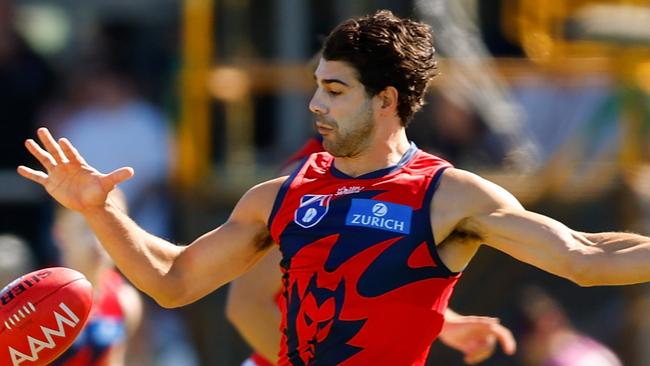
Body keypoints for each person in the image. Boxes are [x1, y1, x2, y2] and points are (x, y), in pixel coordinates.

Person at [16, 10, 650, 366]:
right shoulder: (282, 193)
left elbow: (585, 257)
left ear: (387, 102)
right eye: (317, 84)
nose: (316, 103)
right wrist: (99, 213)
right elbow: (174, 279)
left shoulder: (450, 195)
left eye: (336, 90)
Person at [226, 136, 516, 365]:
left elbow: (356, 279)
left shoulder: (401, 171)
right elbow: (247, 304)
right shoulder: (310, 179)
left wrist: (446, 323)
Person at [50, 189, 143, 366]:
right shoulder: (33, 299)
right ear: (59, 231)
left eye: (111, 230)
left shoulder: (124, 299)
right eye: (87, 228)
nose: (97, 241)